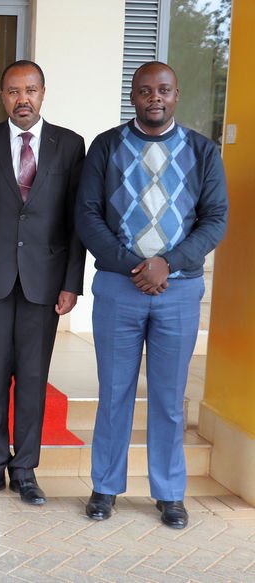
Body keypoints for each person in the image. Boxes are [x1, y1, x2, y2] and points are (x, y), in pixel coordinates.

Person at [76, 61, 228, 529]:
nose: (154, 97)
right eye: (145, 91)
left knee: (167, 397)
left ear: (176, 94)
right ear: (134, 96)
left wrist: (171, 263)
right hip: (119, 289)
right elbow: (87, 214)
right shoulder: (106, 146)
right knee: (115, 392)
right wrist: (134, 265)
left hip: (178, 292)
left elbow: (216, 218)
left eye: (163, 90)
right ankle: (105, 487)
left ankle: (169, 492)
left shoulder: (202, 151)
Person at [0, 60, 86, 505]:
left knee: (33, 377)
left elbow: (76, 220)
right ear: (2, 96)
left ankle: (26, 470)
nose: (23, 99)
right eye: (13, 91)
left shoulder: (70, 145)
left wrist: (72, 281)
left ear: (44, 92)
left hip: (45, 282)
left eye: (30, 90)